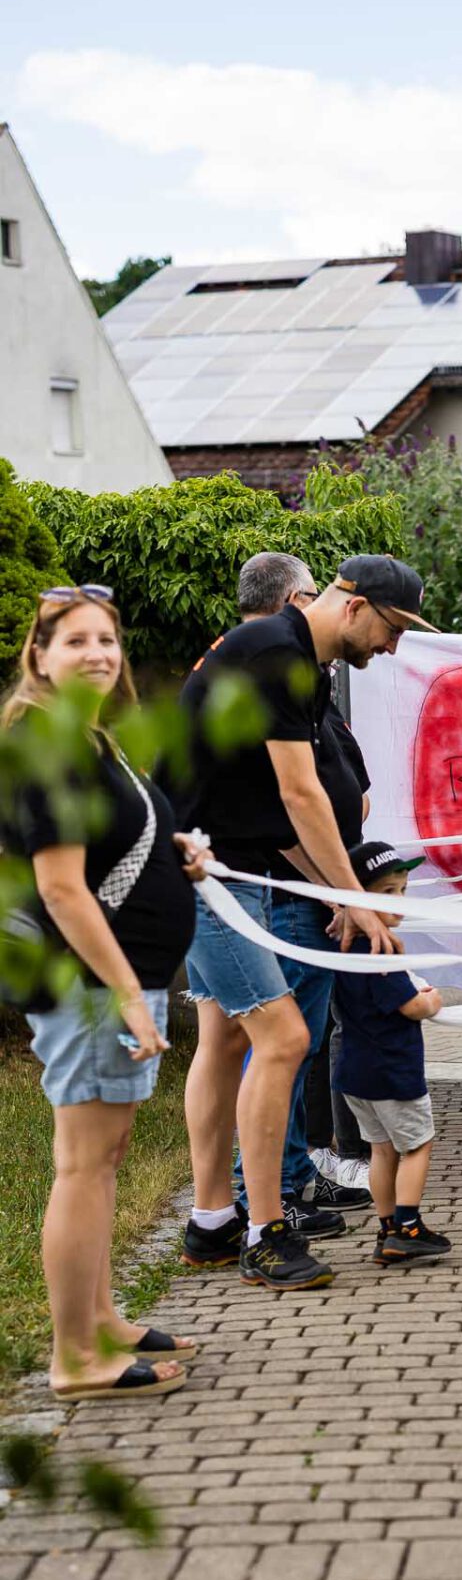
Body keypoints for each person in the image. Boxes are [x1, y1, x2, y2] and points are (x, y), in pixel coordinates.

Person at [173, 555, 425, 1292]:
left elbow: (283, 820)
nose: (392, 647)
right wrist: (355, 894)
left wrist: (341, 898)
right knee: (283, 1037)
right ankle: (266, 1230)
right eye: (392, 628)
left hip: (240, 865)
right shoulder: (279, 656)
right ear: (352, 606)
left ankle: (212, 1223)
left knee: (223, 1041)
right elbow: (304, 795)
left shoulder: (297, 665)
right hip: (204, 875)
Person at [0, 588, 205, 1400]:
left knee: (103, 1159)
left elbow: (110, 847)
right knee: (83, 1166)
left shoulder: (87, 738)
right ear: (39, 655)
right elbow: (60, 889)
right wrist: (123, 991)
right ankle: (76, 1358)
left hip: (116, 982)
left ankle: (102, 1320)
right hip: (92, 988)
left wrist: (174, 852)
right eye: (77, 640)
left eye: (108, 639)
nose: (98, 653)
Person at [228, 552, 373, 1240]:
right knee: (279, 1045)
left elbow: (338, 782)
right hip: (286, 893)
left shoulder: (304, 685)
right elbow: (283, 805)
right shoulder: (268, 673)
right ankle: (263, 1200)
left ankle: (285, 1179)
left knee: (299, 1044)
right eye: (311, 596)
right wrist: (336, 892)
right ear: (295, 599)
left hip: (311, 892)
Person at [331, 841, 450, 1265]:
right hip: (393, 1073)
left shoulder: (342, 946)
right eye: (386, 893)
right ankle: (409, 1226)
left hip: (354, 1075)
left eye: (402, 889)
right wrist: (432, 1000)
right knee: (418, 1145)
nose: (399, 901)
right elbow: (413, 1006)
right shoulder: (380, 951)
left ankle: (386, 1230)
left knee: (381, 1151)